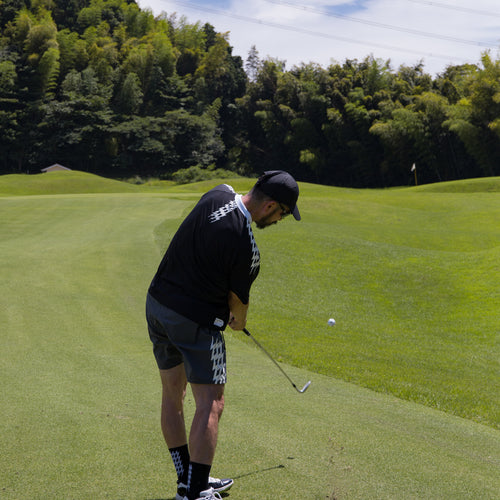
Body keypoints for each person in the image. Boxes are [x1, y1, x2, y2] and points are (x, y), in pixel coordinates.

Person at [145, 170, 301, 500]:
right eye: (283, 213)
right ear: (270, 205)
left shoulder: (218, 192)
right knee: (211, 403)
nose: (280, 220)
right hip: (195, 322)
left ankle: (187, 480)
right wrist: (238, 321)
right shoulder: (247, 248)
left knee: (173, 395)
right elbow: (238, 314)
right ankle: (197, 491)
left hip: (157, 305)